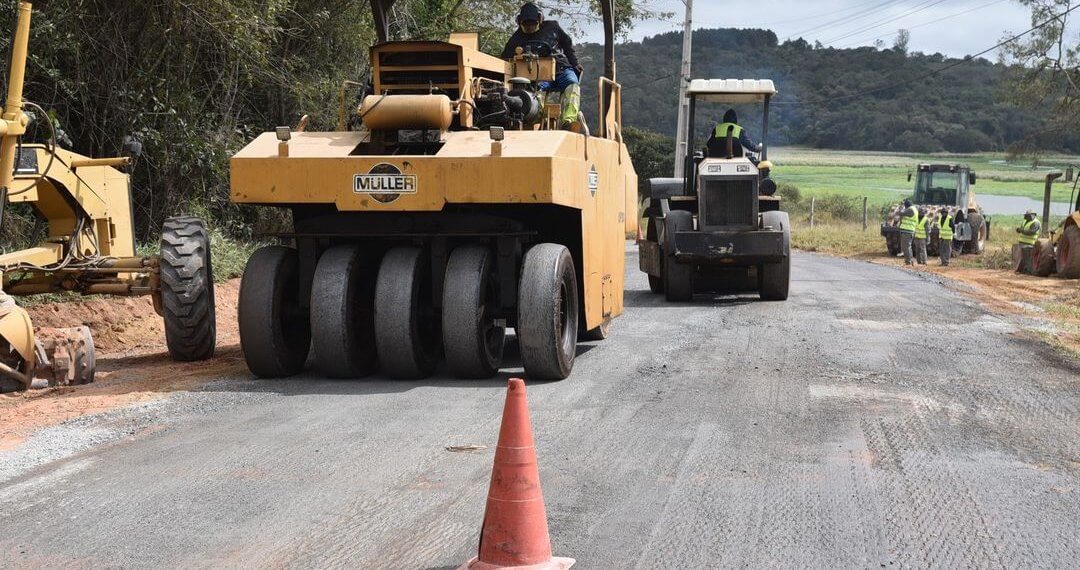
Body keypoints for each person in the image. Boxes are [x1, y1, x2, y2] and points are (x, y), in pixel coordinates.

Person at [501, 2, 582, 128]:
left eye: (533, 24)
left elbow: (567, 43)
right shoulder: (516, 39)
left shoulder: (553, 27)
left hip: (561, 68)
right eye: (526, 25)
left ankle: (568, 121)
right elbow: (505, 58)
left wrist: (575, 63)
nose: (530, 27)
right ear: (519, 22)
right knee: (535, 94)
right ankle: (535, 120)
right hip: (538, 75)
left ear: (540, 19)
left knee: (572, 84)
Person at [1015, 209, 1041, 274]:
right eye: (1026, 215)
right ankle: (1022, 270)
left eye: (1028, 215)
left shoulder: (1035, 222)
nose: (1027, 217)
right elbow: (1022, 229)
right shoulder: (1025, 221)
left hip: (1030, 243)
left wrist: (1022, 231)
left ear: (1033, 215)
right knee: (1022, 258)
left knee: (1028, 258)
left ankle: (1028, 271)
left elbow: (1032, 232)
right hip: (1022, 242)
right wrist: (1019, 230)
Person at [897, 199, 918, 265]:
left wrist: (900, 207)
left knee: (906, 247)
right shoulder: (913, 209)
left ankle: (908, 261)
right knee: (907, 247)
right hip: (908, 230)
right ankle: (909, 261)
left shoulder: (910, 209)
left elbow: (900, 213)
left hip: (907, 231)